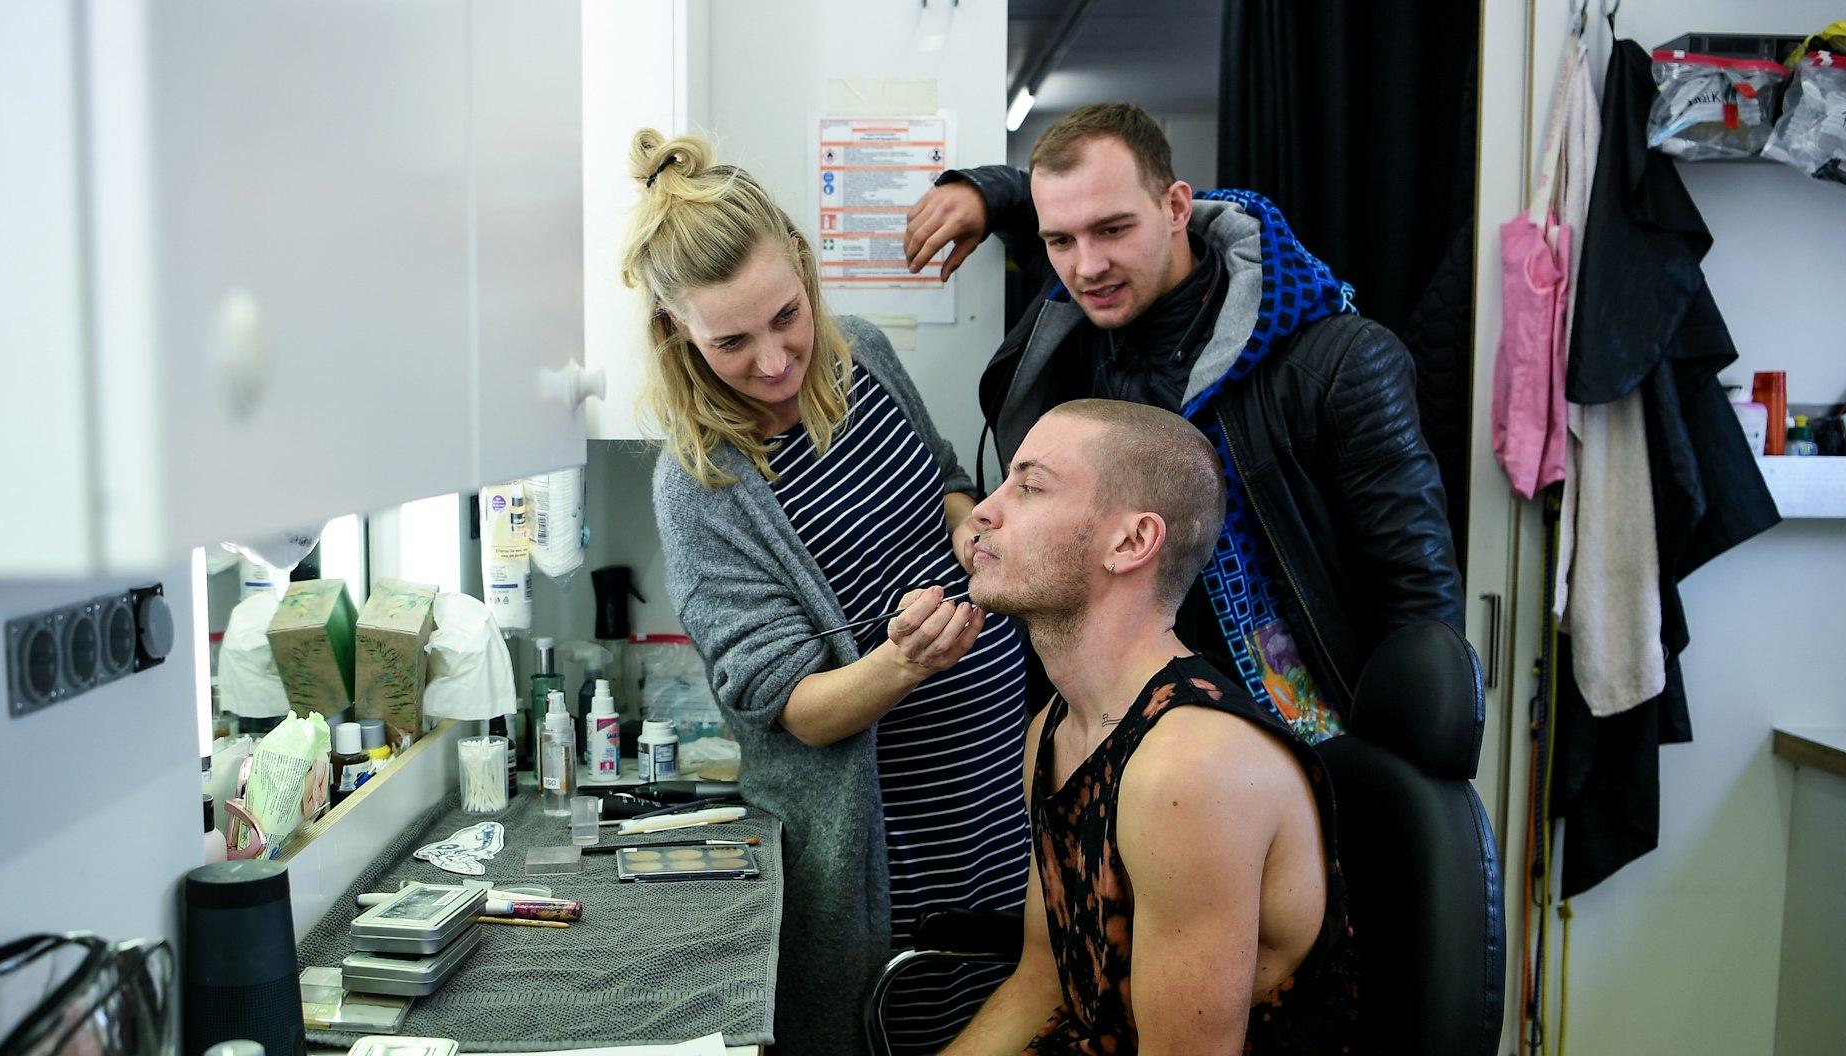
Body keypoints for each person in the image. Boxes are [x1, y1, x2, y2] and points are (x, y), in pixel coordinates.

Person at [620, 129, 1030, 1056]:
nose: (772, 361)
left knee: (1024, 997)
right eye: (730, 340)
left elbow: (939, 477)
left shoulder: (867, 356)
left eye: (786, 315)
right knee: (921, 1024)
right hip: (892, 843)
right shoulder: (702, 485)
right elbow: (796, 711)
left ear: (805, 271)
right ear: (676, 335)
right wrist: (901, 662)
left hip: (996, 786)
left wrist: (968, 520)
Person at [905, 102, 1462, 741]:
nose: (1087, 267)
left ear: (1175, 208)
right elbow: (1062, 199)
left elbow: (1418, 590)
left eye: (1112, 230)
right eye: (1060, 240)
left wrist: (1414, 781)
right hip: (1104, 721)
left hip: (1292, 726)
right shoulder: (1067, 344)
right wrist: (984, 191)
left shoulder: (1336, 359)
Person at [942, 398, 1357, 1055]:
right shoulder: (1056, 727)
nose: (984, 512)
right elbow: (1044, 982)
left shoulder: (1188, 771)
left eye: (1030, 487)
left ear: (1131, 543)